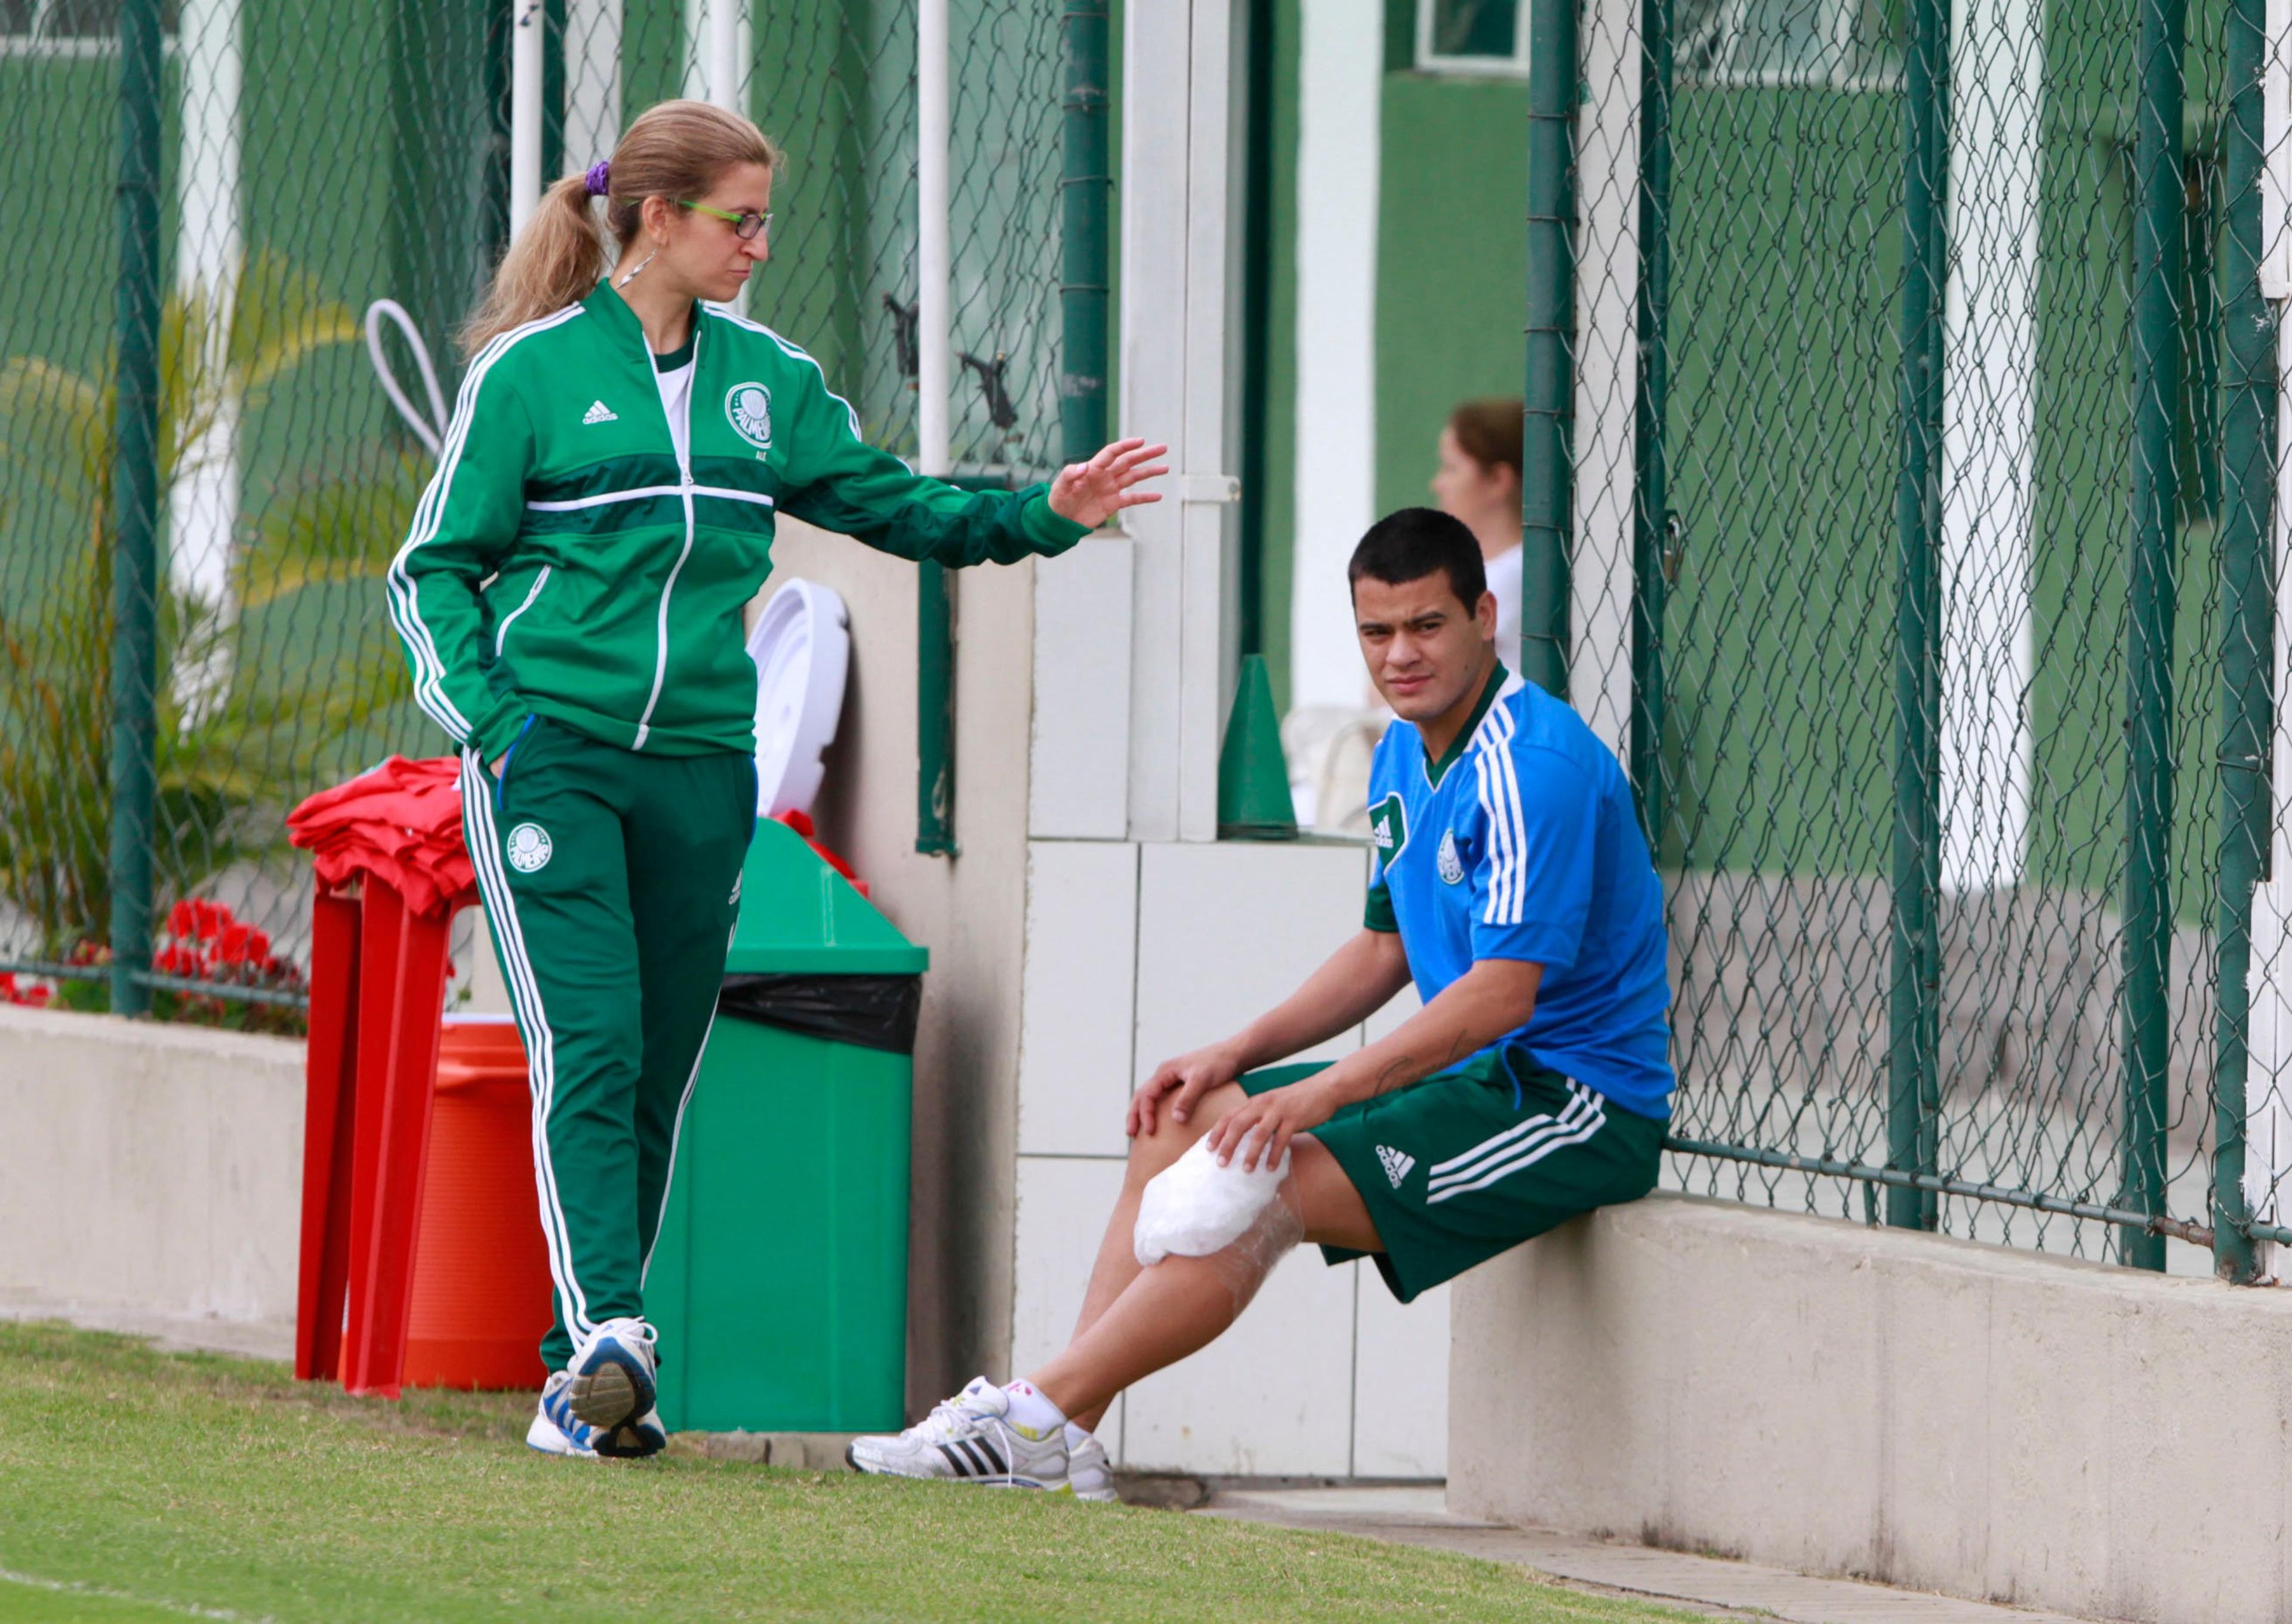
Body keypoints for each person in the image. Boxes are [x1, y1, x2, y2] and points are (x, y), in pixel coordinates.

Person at [387, 99, 1166, 1460]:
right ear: (656, 216)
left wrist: (1045, 511)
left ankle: (581, 1392)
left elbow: (893, 504)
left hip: (699, 773)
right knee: (595, 1036)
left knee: (659, 1064)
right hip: (550, 759)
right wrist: (493, 722)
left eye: (765, 221)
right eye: (738, 220)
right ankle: (608, 1333)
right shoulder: (527, 377)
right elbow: (431, 570)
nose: (759, 244)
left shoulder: (771, 383)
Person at [845, 506, 1672, 1494]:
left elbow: (1498, 999)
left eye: (1427, 626)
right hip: (1470, 1076)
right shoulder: (1404, 750)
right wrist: (1234, 1054)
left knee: (1260, 1187)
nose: (1400, 655)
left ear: (1484, 616)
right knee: (1186, 1119)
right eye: (1377, 632)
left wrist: (1317, 1097)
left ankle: (1030, 1410)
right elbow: (1384, 949)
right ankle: (1060, 1439)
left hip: (1570, 1104)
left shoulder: (1534, 767)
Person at [1430, 398, 1525, 662]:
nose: (1437, 484)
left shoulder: (1512, 578)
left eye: (1451, 468)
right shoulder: (1481, 571)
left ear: (1497, 480)